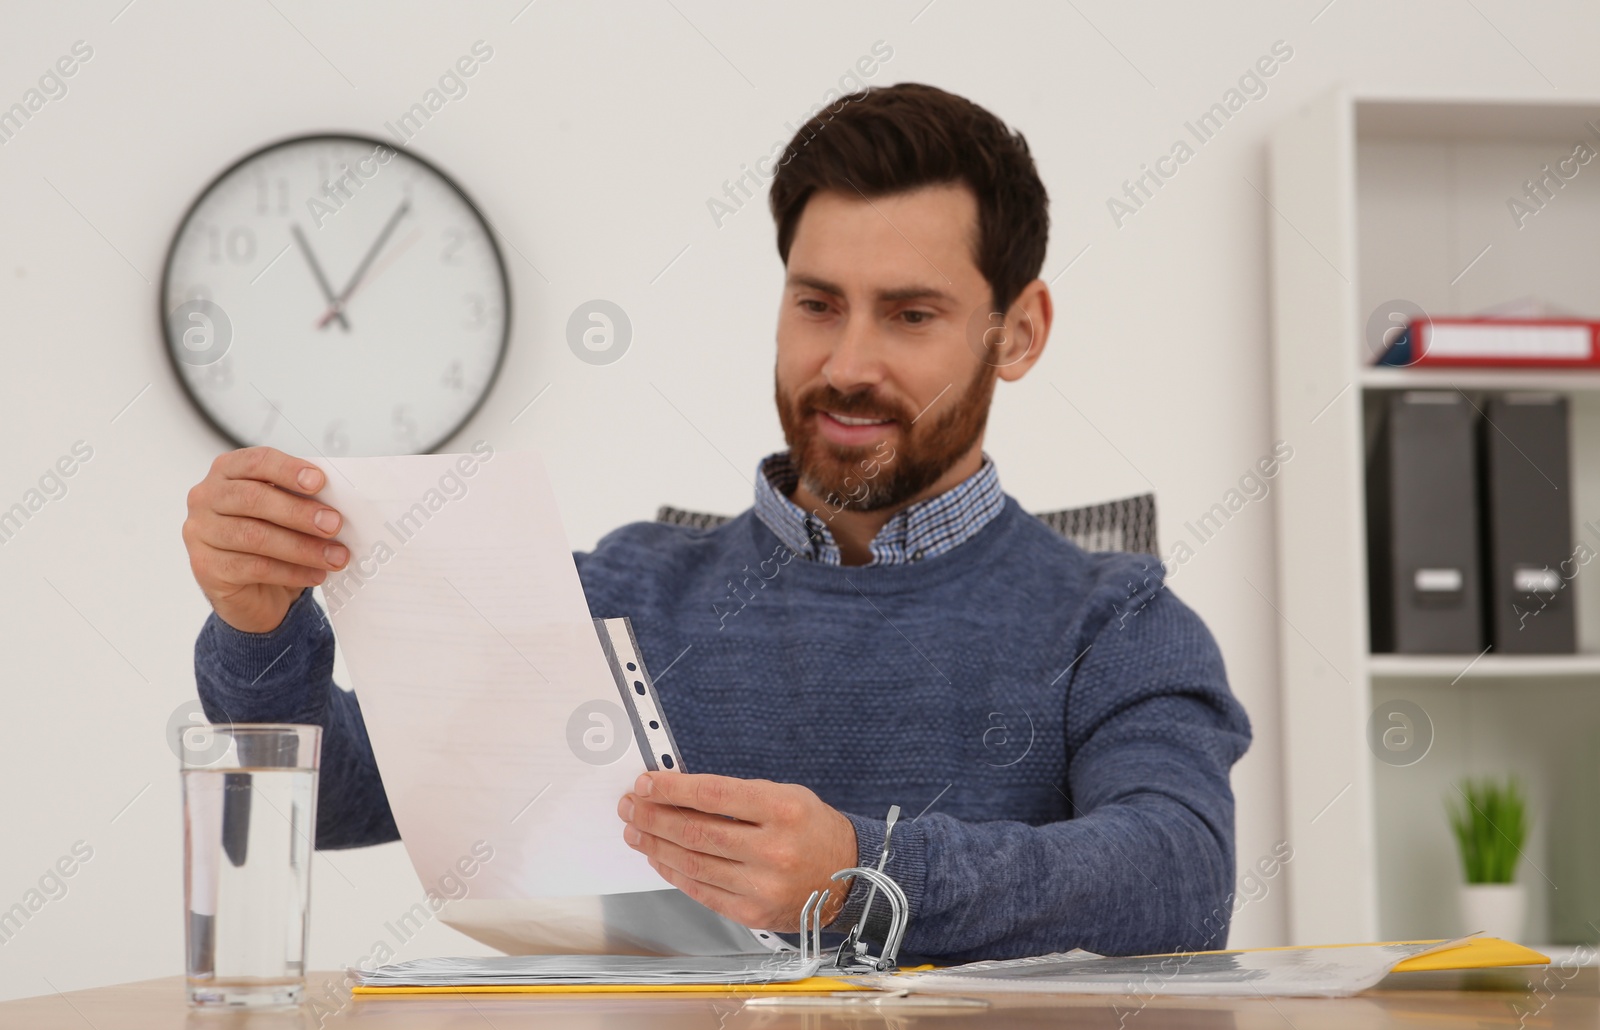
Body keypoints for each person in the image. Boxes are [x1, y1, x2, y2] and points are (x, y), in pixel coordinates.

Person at [183, 83, 1251, 962]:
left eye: (910, 314)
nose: (845, 364)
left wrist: (862, 876)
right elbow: (327, 800)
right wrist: (258, 623)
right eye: (817, 302)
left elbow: (1179, 875)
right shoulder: (623, 593)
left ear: (1017, 332)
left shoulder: (1116, 621)